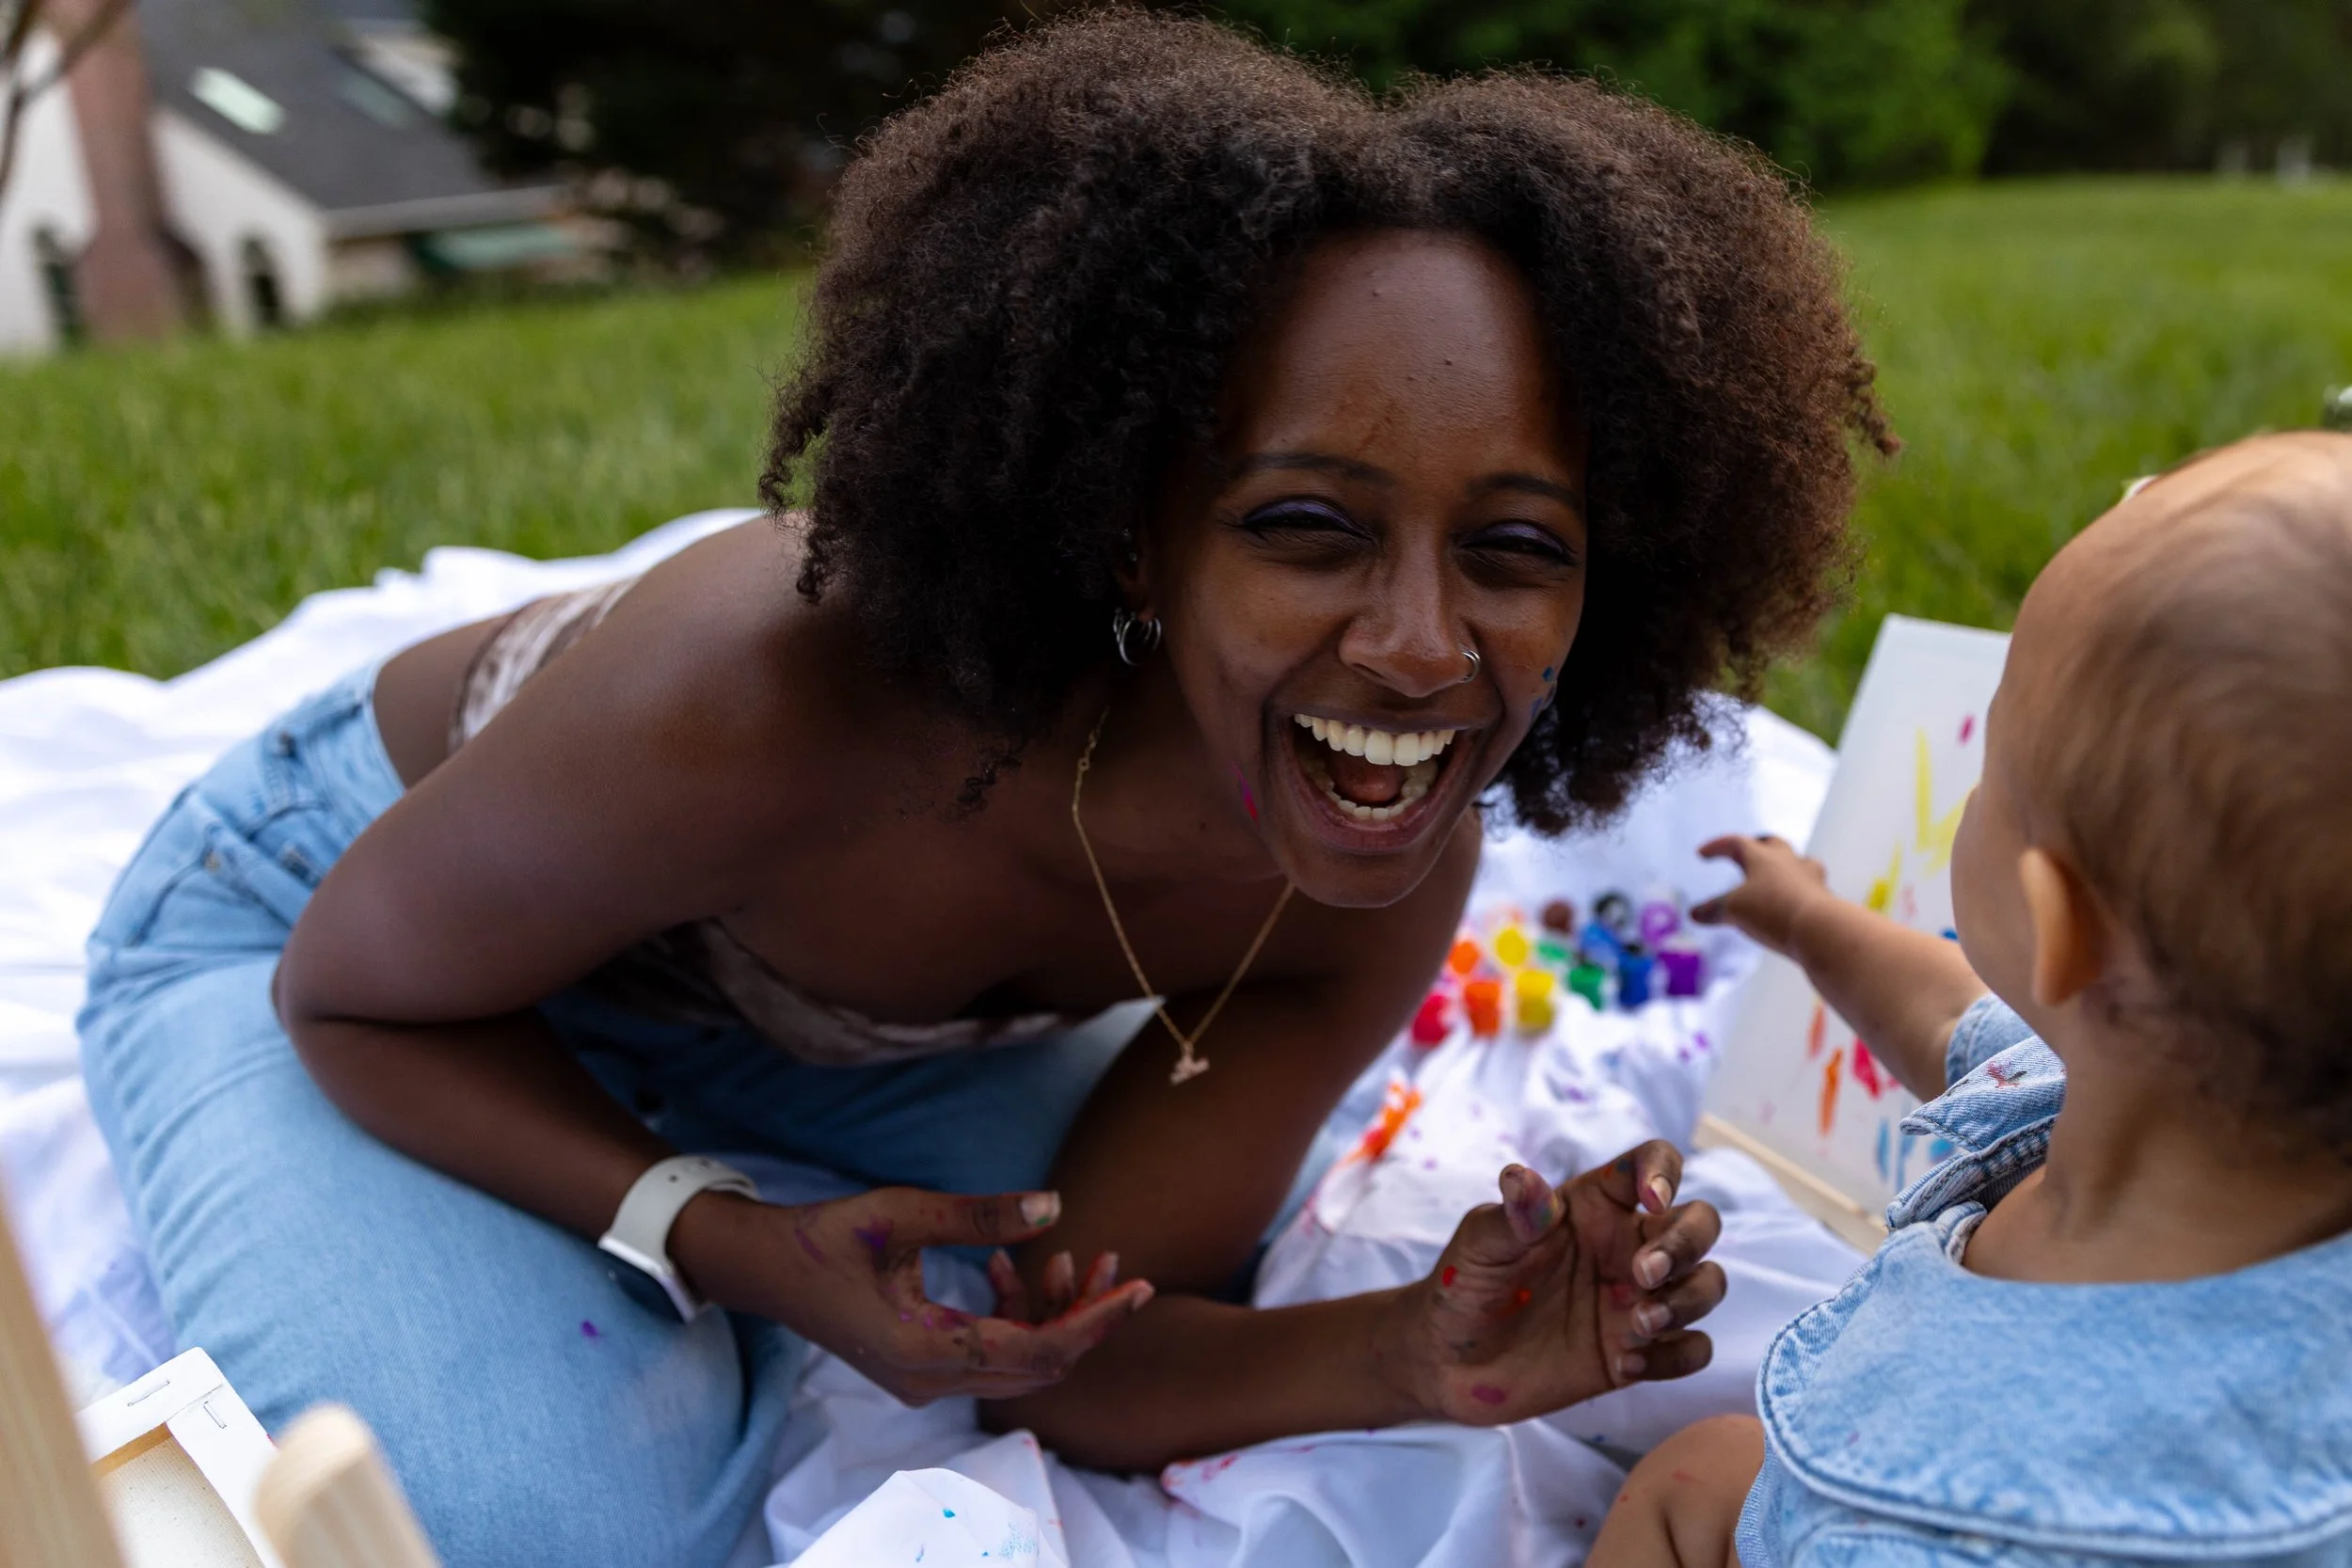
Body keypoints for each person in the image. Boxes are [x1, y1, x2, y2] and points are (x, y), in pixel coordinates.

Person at [76, 12, 1884, 1565]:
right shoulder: (778, 682)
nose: (1422, 645)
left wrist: (1430, 1357)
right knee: (541, 1530)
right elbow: (354, 987)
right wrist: (739, 1243)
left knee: (1019, 1300)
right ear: (1133, 525)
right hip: (340, 937)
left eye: (1512, 547)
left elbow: (1082, 1350)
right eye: (1307, 527)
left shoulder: (1379, 860)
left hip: (796, 1034)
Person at [1588, 431, 2352, 1567]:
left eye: (1995, 771)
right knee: (1707, 1462)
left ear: (2059, 929)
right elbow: (1947, 1016)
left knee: (1674, 1487)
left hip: (1874, 1502)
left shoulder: (1951, 1531)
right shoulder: (2110, 1086)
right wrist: (1811, 920)